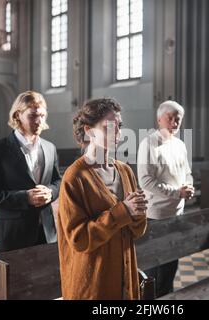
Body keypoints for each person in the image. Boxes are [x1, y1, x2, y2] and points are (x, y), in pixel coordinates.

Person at [57, 98, 147, 300]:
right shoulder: (75, 177)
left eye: (119, 126)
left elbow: (137, 231)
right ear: (89, 130)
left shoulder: (124, 171)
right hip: (93, 280)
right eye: (110, 127)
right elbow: (79, 239)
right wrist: (124, 211)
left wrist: (138, 213)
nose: (118, 133)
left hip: (124, 274)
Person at [0, 91, 61, 253]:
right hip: (13, 234)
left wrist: (51, 192)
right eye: (33, 116)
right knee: (15, 279)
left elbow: (58, 181)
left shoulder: (50, 148)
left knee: (45, 279)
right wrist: (25, 197)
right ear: (17, 115)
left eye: (42, 115)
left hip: (47, 232)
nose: (39, 121)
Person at [137, 100, 195, 297]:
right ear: (159, 119)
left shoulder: (180, 145)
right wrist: (177, 192)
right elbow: (145, 181)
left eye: (178, 118)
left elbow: (187, 173)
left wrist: (188, 185)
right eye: (170, 117)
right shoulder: (149, 143)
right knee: (153, 273)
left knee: (170, 268)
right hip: (156, 215)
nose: (174, 122)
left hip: (177, 213)